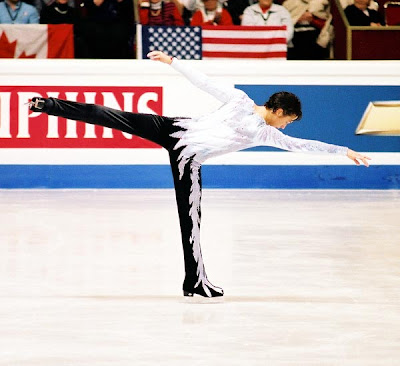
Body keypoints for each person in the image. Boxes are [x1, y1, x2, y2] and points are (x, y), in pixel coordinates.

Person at [28, 50, 370, 298]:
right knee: (112, 114)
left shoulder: (260, 125)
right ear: (279, 111)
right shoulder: (246, 109)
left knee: (190, 221)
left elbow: (304, 145)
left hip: (182, 149)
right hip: (176, 134)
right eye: (287, 120)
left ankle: (195, 280)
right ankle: (48, 105)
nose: (286, 126)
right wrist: (173, 63)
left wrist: (343, 151)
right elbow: (205, 83)